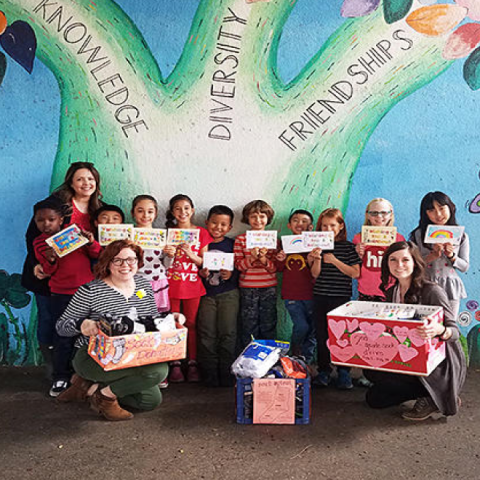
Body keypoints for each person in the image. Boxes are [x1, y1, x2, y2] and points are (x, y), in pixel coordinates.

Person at [55, 240, 169, 421]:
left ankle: (89, 388)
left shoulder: (144, 286)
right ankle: (105, 397)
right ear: (107, 262)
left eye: (131, 260)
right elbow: (61, 327)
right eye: (118, 260)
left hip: (133, 353)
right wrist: (80, 325)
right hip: (94, 355)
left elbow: (151, 319)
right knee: (158, 372)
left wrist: (170, 320)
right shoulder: (90, 290)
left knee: (150, 401)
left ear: (138, 262)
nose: (126, 265)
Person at [22, 162, 104, 397]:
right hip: (49, 277)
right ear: (70, 182)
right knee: (51, 322)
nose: (85, 183)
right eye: (80, 179)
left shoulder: (101, 209)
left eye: (90, 179)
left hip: (84, 279)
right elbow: (34, 236)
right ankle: (56, 371)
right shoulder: (54, 207)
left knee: (83, 327)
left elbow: (101, 246)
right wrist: (39, 264)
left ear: (96, 183)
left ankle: (78, 372)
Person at [364, 241, 466, 420]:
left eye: (405, 260)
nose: (399, 265)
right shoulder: (392, 292)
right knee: (373, 394)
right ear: (387, 264)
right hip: (409, 356)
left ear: (415, 262)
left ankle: (439, 395)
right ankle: (428, 393)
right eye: (393, 260)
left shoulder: (432, 291)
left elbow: (454, 332)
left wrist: (440, 329)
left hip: (437, 363)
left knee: (379, 391)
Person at [310, 208, 361, 389]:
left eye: (332, 225)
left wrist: (335, 261)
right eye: (324, 225)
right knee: (322, 334)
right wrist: (316, 258)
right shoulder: (317, 246)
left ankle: (344, 371)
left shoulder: (348, 247)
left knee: (342, 336)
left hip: (341, 298)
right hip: (320, 296)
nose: (328, 228)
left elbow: (355, 273)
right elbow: (315, 274)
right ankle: (324, 370)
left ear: (340, 226)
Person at [166, 194, 212, 383]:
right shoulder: (167, 233)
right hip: (170, 286)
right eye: (177, 208)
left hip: (192, 285)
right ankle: (175, 363)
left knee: (192, 324)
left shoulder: (201, 233)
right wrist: (169, 253)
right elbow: (163, 262)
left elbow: (204, 262)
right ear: (172, 212)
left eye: (186, 208)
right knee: (173, 325)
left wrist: (190, 254)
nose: (182, 212)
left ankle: (192, 362)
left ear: (192, 210)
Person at [410, 192, 469, 320]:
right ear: (425, 213)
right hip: (425, 285)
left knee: (449, 326)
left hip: (450, 287)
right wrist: (431, 256)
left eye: (442, 208)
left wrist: (452, 256)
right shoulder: (418, 235)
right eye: (431, 210)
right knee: (424, 324)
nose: (438, 214)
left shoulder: (461, 235)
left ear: (450, 207)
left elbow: (464, 267)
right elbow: (411, 265)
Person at [198, 205, 239, 387]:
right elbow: (193, 267)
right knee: (207, 333)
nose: (218, 227)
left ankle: (227, 372)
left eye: (223, 224)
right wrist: (202, 273)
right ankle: (209, 374)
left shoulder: (232, 244)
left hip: (228, 293)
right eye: (214, 223)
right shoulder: (200, 243)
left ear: (230, 227)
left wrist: (232, 275)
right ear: (207, 223)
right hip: (206, 294)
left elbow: (241, 267)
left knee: (228, 332)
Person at [234, 200, 278, 348]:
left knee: (269, 323)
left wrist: (263, 259)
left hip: (269, 287)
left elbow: (274, 268)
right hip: (248, 287)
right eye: (253, 216)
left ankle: (269, 358)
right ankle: (248, 359)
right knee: (248, 324)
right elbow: (239, 266)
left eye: (262, 216)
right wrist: (252, 258)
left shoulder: (273, 240)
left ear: (268, 218)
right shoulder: (241, 240)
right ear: (247, 218)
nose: (258, 220)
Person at [275, 209, 316, 362]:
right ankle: (295, 352)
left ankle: (307, 361)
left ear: (311, 227)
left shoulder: (315, 246)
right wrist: (280, 258)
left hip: (312, 294)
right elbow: (278, 269)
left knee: (312, 330)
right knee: (302, 326)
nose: (300, 224)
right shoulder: (285, 245)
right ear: (289, 225)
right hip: (292, 295)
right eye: (296, 220)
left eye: (304, 221)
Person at [353, 198, 405, 301]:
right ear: (367, 215)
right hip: (366, 290)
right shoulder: (358, 238)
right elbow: (354, 269)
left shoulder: (398, 238)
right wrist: (358, 255)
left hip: (391, 290)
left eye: (384, 213)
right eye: (374, 213)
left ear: (391, 214)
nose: (379, 216)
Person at [131, 195, 175, 313]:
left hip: (158, 282)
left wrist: (170, 255)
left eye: (150, 211)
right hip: (136, 283)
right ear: (133, 213)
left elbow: (166, 265)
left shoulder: (162, 236)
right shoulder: (128, 236)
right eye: (140, 211)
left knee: (157, 317)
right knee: (138, 314)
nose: (145, 215)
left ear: (155, 214)